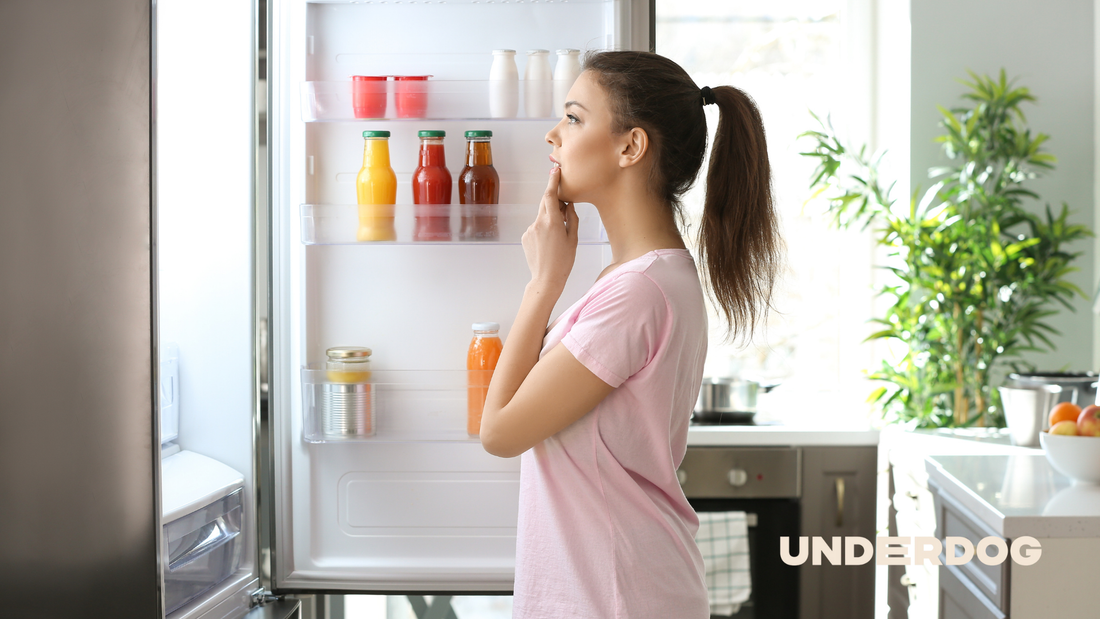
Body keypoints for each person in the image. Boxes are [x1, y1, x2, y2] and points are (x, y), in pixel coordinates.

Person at [479, 50, 781, 619]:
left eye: (573, 118)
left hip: (615, 595)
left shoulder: (636, 293)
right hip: (617, 588)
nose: (553, 135)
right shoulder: (643, 278)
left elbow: (499, 431)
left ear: (630, 147)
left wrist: (542, 285)